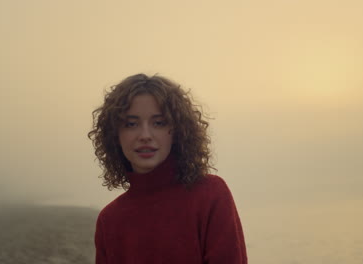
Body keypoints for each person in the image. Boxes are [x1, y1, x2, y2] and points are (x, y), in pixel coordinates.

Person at [88, 73, 247, 264]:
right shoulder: (109, 220)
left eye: (159, 123)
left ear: (178, 131)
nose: (145, 135)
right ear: (115, 135)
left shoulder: (210, 195)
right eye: (131, 124)